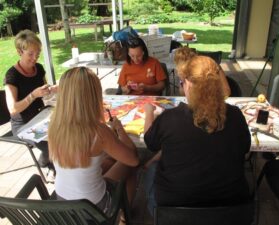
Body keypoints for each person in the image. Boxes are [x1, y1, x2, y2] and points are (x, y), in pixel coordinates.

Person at [143, 56, 251, 216]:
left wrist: (148, 112)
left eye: (182, 83)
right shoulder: (236, 115)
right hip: (231, 212)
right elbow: (245, 149)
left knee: (151, 168)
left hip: (174, 213)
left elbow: (149, 142)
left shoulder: (170, 118)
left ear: (187, 84)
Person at [48, 67, 139, 218]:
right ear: (93, 96)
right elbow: (133, 160)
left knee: (109, 160)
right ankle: (123, 217)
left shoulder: (54, 124)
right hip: (94, 210)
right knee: (129, 165)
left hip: (63, 203)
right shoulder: (98, 131)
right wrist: (119, 129)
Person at [3, 29, 57, 168]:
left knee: (68, 132)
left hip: (41, 116)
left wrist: (51, 89)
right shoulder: (12, 75)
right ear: (19, 52)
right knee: (53, 147)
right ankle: (47, 165)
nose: (35, 58)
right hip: (23, 124)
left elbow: (45, 92)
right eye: (30, 54)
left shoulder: (38, 68)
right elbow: (13, 109)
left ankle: (48, 162)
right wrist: (33, 95)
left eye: (37, 53)